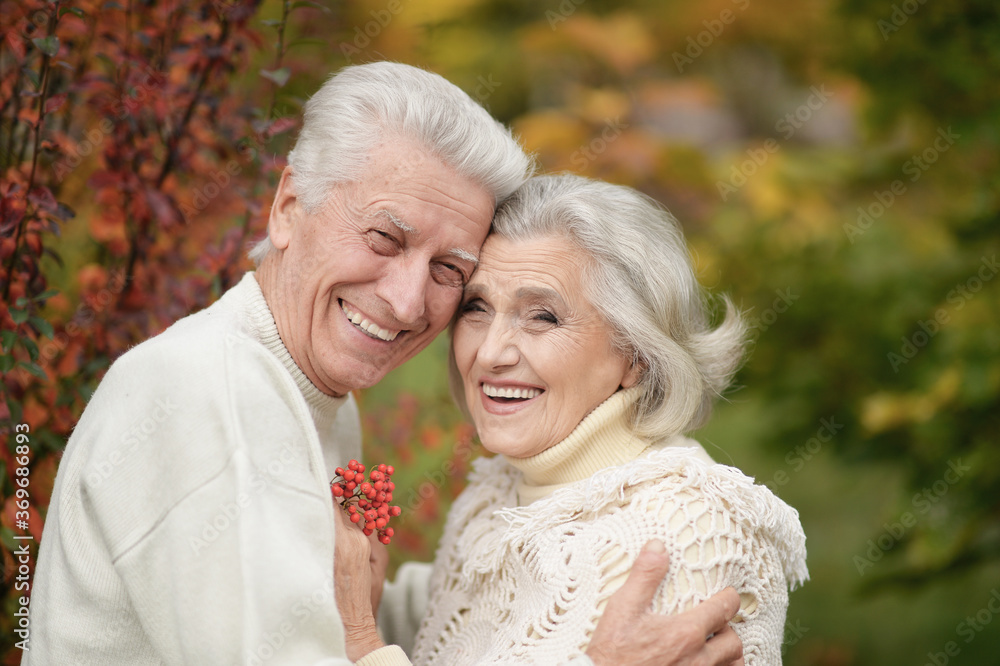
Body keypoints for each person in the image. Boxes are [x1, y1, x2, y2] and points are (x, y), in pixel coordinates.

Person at [26, 63, 743, 666]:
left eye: (448, 269)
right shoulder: (208, 397)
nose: (406, 300)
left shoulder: (304, 391)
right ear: (288, 206)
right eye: (383, 237)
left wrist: (528, 565)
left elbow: (321, 608)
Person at [400, 174, 809, 664]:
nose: (488, 353)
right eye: (477, 307)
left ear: (636, 354)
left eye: (542, 316)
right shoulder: (496, 494)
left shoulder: (689, 530)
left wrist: (365, 642)